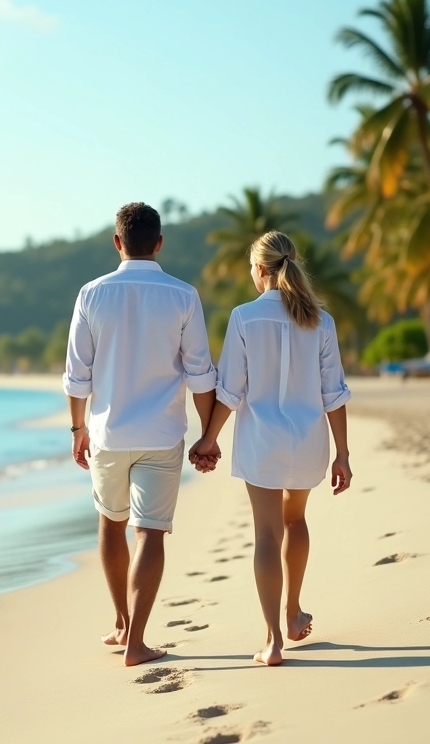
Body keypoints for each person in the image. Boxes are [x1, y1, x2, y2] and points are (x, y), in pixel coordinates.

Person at [63, 202, 218, 667]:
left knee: (110, 523)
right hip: (161, 433)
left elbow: (76, 376)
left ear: (117, 243)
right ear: (159, 243)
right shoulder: (183, 295)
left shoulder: (91, 294)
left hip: (107, 433)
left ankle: (121, 623)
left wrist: (77, 430)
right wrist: (207, 437)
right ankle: (138, 642)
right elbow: (201, 376)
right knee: (150, 532)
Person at [189, 230, 352, 667]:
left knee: (266, 533)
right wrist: (344, 455)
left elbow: (231, 389)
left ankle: (273, 640)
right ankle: (294, 611)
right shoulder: (321, 319)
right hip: (307, 442)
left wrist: (209, 439)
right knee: (295, 520)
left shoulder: (244, 317)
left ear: (260, 271)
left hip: (261, 441)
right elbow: (333, 392)